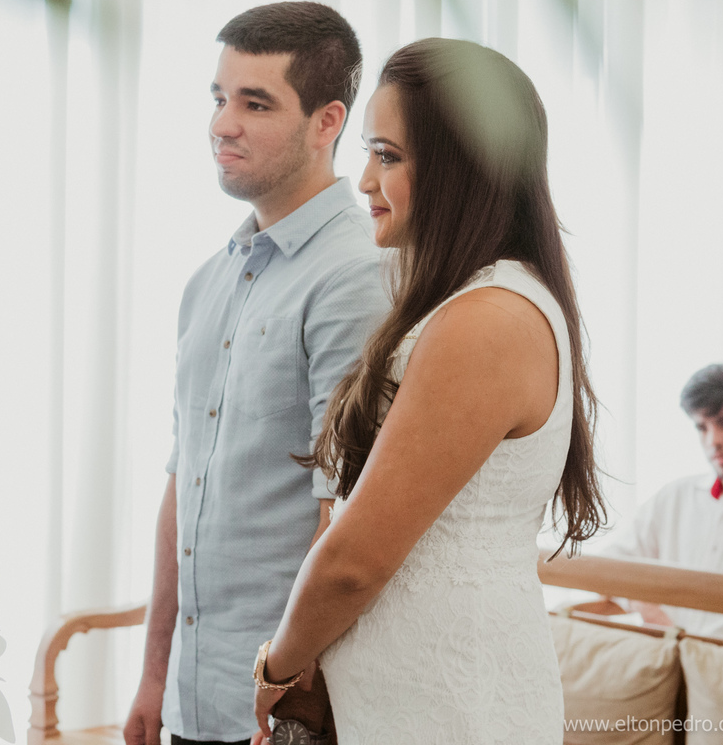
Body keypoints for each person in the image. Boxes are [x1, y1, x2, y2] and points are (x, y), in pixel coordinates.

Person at [251, 38, 607, 744]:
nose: (363, 181)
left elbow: (356, 561)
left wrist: (275, 667)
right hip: (416, 694)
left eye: (387, 156)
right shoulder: (474, 305)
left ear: (461, 167)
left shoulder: (487, 320)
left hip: (449, 706)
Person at [124, 2, 390, 745]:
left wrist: (291, 692)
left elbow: (344, 512)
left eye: (255, 103)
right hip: (195, 700)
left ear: (327, 122)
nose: (222, 124)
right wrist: (154, 675)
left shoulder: (356, 275)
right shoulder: (207, 282)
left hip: (285, 709)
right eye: (218, 98)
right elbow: (183, 486)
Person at [603, 363, 723, 643]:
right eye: (702, 427)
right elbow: (607, 567)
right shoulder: (675, 498)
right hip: (672, 655)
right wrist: (645, 607)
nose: (713, 441)